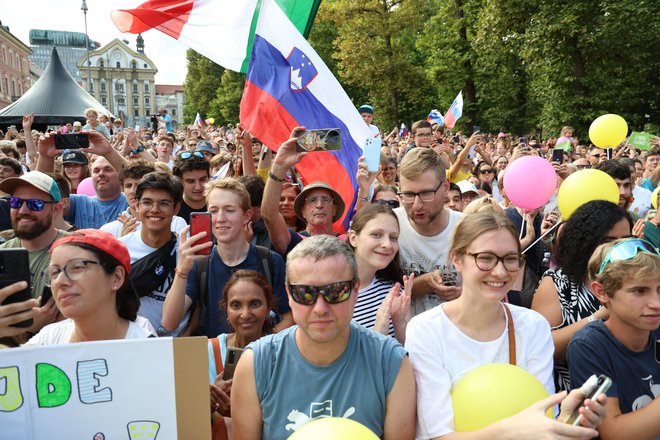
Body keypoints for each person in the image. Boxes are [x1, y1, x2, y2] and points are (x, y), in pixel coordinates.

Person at [406, 212, 606, 439]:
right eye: (486, 258)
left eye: (510, 258)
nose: (500, 272)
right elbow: (438, 435)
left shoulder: (532, 327)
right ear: (457, 259)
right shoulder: (426, 330)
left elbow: (541, 424)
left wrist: (566, 420)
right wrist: (511, 429)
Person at [231, 235, 416, 439]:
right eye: (305, 293)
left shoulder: (391, 363)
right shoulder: (256, 364)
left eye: (335, 292)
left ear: (355, 291)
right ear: (289, 295)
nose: (320, 308)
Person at [161, 178, 292, 338]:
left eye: (229, 210)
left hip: (257, 358)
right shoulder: (200, 264)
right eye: (214, 211)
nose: (221, 218)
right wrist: (182, 270)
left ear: (246, 216)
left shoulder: (269, 261)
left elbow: (289, 316)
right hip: (213, 358)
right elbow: (169, 322)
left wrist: (262, 343)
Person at [532, 200, 632, 391]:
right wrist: (602, 315)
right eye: (608, 242)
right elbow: (543, 348)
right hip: (577, 396)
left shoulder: (640, 282)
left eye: (625, 240)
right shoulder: (557, 283)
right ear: (585, 242)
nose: (618, 248)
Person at [568, 238, 660, 440]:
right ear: (602, 292)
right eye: (639, 291)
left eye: (659, 289)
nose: (656, 303)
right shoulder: (589, 345)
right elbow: (613, 432)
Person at [25, 229, 156, 345]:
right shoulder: (48, 340)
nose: (60, 281)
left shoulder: (145, 345)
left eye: (77, 267)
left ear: (117, 277)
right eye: (55, 272)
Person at [394, 147, 463, 314]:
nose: (417, 205)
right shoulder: (390, 226)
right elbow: (376, 291)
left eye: (426, 193)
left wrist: (468, 294)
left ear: (445, 187)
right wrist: (424, 283)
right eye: (408, 194)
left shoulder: (466, 228)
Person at [207, 270, 275, 437]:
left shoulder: (280, 352)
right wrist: (209, 404)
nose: (245, 314)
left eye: (255, 304)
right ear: (227, 309)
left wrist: (243, 411)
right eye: (236, 305)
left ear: (268, 307)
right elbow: (186, 417)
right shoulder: (208, 350)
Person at [0, 171, 68, 333]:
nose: (23, 210)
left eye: (35, 204)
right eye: (16, 202)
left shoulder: (76, 251)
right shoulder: (2, 253)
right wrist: (29, 327)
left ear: (56, 209)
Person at [119, 172, 186, 335]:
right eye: (147, 202)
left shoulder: (187, 253)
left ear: (176, 208)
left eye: (164, 204)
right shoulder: (120, 249)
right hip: (130, 343)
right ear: (137, 205)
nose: (154, 210)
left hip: (177, 345)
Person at [261, 127, 345, 255]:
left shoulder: (347, 242)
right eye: (312, 201)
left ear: (335, 209)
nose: (319, 205)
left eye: (326, 200)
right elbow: (269, 216)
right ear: (302, 211)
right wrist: (279, 166)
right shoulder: (294, 241)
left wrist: (365, 190)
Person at [347, 203, 412, 343]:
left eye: (393, 237)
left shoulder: (395, 290)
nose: (387, 244)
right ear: (353, 238)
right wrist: (378, 333)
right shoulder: (331, 294)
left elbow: (410, 351)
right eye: (376, 235)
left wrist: (399, 322)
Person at [37, 130, 129, 229]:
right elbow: (41, 192)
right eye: (96, 171)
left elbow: (138, 177)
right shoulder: (78, 202)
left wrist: (109, 152)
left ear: (120, 175)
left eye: (108, 169)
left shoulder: (130, 200)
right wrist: (45, 157)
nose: (101, 174)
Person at [173, 152, 210, 224]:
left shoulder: (219, 206)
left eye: (202, 180)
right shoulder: (172, 210)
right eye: (190, 181)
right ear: (179, 181)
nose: (198, 187)